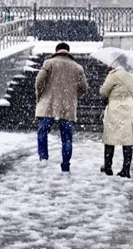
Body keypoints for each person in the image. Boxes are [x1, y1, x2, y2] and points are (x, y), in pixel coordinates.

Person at [35, 42, 89, 173]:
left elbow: (39, 81)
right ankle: (65, 166)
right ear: (68, 51)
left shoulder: (49, 63)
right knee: (67, 138)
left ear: (56, 50)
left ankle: (43, 157)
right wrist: (71, 91)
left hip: (49, 104)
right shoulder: (77, 67)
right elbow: (84, 88)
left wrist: (40, 95)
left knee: (42, 131)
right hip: (67, 107)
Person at [99, 55, 133, 178]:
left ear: (117, 62)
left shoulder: (113, 75)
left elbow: (103, 92)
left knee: (110, 137)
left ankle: (108, 167)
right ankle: (126, 169)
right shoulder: (131, 75)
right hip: (129, 107)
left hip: (115, 107)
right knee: (128, 139)